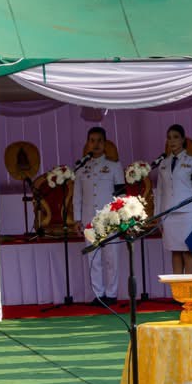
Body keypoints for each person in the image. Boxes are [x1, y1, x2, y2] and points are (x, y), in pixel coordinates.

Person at [74, 126, 124, 305]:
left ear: (105, 143)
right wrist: (77, 219)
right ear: (87, 143)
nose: (95, 144)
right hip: (89, 219)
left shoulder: (114, 166)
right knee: (93, 258)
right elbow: (77, 196)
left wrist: (122, 218)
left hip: (110, 218)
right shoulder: (81, 168)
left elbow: (121, 195)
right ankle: (99, 295)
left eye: (99, 141)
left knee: (111, 258)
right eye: (92, 140)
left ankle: (111, 294)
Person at [154, 124, 192, 276]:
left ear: (183, 139)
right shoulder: (163, 163)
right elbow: (159, 191)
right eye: (169, 138)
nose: (172, 141)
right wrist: (158, 215)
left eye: (176, 137)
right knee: (175, 251)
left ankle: (188, 287)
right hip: (169, 213)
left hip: (187, 214)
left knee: (188, 251)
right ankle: (177, 289)